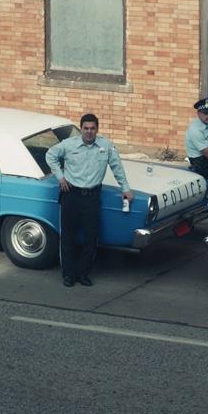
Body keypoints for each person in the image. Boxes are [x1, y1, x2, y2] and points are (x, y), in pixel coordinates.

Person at [45, 113, 132, 288]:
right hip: (71, 195)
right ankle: (68, 275)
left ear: (97, 129)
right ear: (81, 129)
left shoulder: (105, 146)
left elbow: (117, 167)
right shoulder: (69, 145)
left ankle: (83, 273)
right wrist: (60, 177)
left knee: (91, 238)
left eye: (92, 128)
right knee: (68, 237)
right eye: (86, 128)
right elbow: (50, 155)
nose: (89, 132)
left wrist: (125, 188)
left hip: (92, 197)